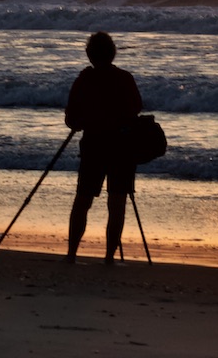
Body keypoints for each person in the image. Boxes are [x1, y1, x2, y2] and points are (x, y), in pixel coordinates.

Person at [64, 31, 143, 263]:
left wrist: (85, 119)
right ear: (112, 53)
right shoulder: (125, 78)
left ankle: (71, 254)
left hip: (93, 145)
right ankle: (109, 257)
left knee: (83, 200)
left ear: (90, 55)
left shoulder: (84, 80)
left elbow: (72, 119)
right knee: (117, 202)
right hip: (122, 147)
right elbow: (135, 108)